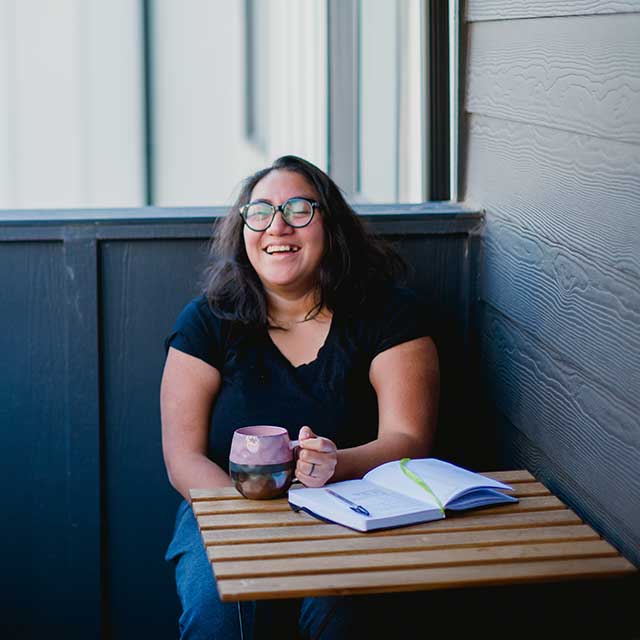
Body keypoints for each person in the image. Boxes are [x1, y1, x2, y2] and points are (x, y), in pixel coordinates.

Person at [160, 155, 440, 639]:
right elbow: (182, 456)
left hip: (356, 508)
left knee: (343, 615)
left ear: (330, 225)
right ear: (243, 229)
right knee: (218, 615)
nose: (277, 226)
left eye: (297, 209)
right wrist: (251, 519)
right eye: (261, 211)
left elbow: (410, 436)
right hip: (225, 510)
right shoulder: (207, 321)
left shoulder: (390, 315)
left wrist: (340, 463)